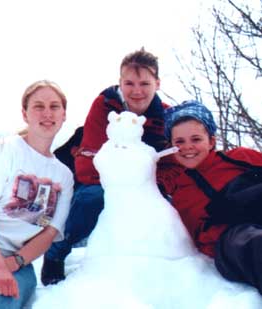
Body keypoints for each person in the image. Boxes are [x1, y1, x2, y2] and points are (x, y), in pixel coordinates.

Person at [41, 48, 171, 285]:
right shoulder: (105, 105)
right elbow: (88, 161)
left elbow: (169, 164)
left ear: (157, 83)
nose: (137, 91)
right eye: (129, 83)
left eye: (145, 83)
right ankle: (56, 252)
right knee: (92, 198)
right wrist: (120, 184)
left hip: (144, 183)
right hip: (97, 179)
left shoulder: (165, 116)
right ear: (120, 83)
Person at [158, 100, 262, 294]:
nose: (188, 147)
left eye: (196, 139)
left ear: (211, 141)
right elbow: (201, 238)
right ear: (170, 147)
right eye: (179, 142)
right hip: (233, 237)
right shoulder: (181, 192)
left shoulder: (240, 157)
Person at [0, 80, 74, 308]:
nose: (47, 113)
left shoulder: (64, 176)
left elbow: (49, 234)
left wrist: (12, 264)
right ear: (25, 114)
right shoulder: (3, 150)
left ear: (64, 114)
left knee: (0, 300)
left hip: (17, 264)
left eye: (54, 106)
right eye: (38, 106)